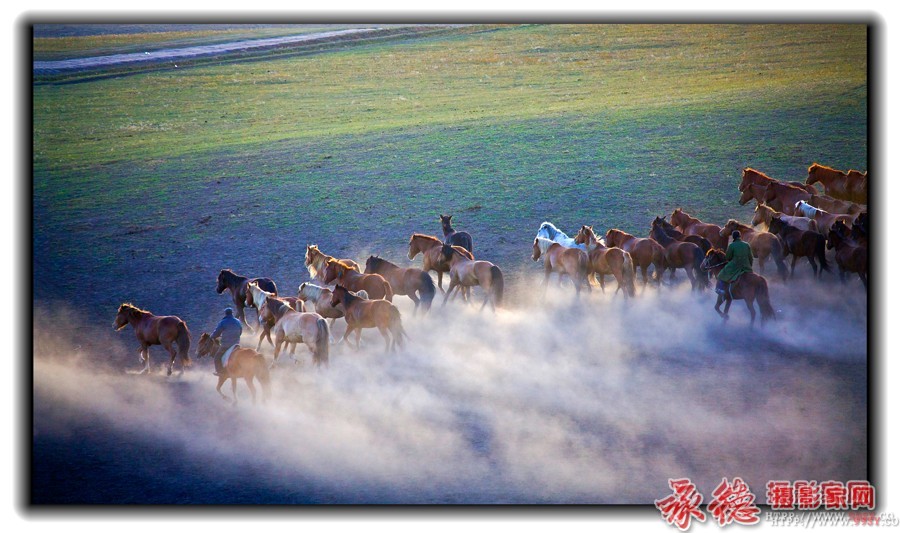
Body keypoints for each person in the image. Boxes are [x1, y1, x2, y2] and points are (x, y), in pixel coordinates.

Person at [716, 230, 754, 295]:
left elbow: (728, 258)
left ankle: (721, 290)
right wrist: (749, 266)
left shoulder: (732, 245)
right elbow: (751, 258)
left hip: (735, 266)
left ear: (733, 237)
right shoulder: (747, 244)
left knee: (721, 274)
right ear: (740, 236)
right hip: (747, 266)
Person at [211, 307, 242, 376]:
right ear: (232, 313)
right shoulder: (238, 321)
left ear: (225, 314)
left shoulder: (223, 322)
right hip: (236, 344)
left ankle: (220, 371)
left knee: (217, 357)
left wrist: (212, 337)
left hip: (226, 345)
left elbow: (217, 332)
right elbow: (240, 332)